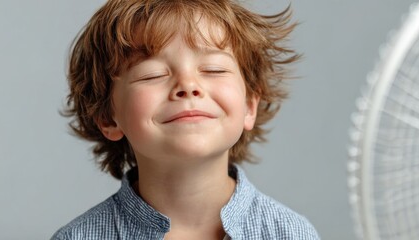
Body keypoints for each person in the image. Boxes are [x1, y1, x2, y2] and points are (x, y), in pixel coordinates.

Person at [52, 0, 319, 239]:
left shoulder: (290, 233)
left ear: (249, 106)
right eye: (152, 74)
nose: (188, 85)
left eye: (213, 69)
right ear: (107, 117)